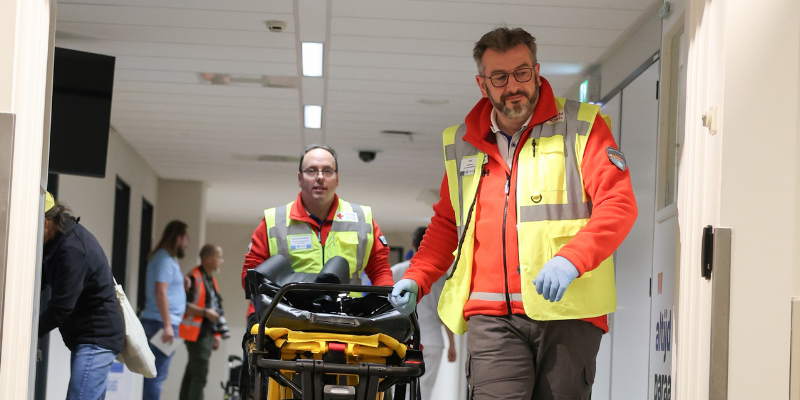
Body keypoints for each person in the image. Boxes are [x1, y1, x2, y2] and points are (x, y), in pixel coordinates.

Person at [389, 27, 638, 400]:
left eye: (522, 73)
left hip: (567, 311)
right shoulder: (463, 145)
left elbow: (618, 204)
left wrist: (571, 260)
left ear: (537, 72)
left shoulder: (581, 127)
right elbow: (446, 225)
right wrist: (417, 276)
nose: (513, 85)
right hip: (492, 316)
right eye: (500, 77)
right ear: (482, 84)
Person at [240, 145, 395, 393]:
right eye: (312, 170)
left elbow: (380, 269)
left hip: (348, 325)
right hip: (290, 325)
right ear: (300, 178)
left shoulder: (361, 218)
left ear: (337, 178)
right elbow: (250, 276)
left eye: (327, 170)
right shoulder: (275, 220)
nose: (319, 177)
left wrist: (384, 304)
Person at [39, 192, 125, 400]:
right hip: (87, 338)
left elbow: (61, 308)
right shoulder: (57, 242)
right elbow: (38, 282)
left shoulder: (72, 250)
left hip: (97, 338)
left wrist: (27, 333)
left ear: (43, 223)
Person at [391, 227, 456, 400]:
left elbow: (386, 307)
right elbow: (445, 313)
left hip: (402, 340)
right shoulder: (441, 277)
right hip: (433, 341)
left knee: (399, 385)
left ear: (413, 244)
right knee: (424, 388)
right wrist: (452, 344)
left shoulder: (398, 270)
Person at [140, 220, 190, 400]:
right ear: (178, 237)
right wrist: (168, 326)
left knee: (153, 374)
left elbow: (165, 287)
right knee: (156, 375)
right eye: (186, 237)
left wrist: (181, 283)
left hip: (157, 321)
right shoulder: (165, 259)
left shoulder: (164, 258)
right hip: (161, 324)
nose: (188, 241)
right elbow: (160, 292)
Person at [178, 244, 225, 400]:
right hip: (196, 335)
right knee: (200, 376)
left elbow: (216, 307)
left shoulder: (210, 279)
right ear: (208, 258)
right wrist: (205, 313)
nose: (221, 261)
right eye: (219, 257)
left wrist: (216, 334)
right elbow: (182, 305)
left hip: (206, 334)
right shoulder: (194, 277)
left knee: (192, 374)